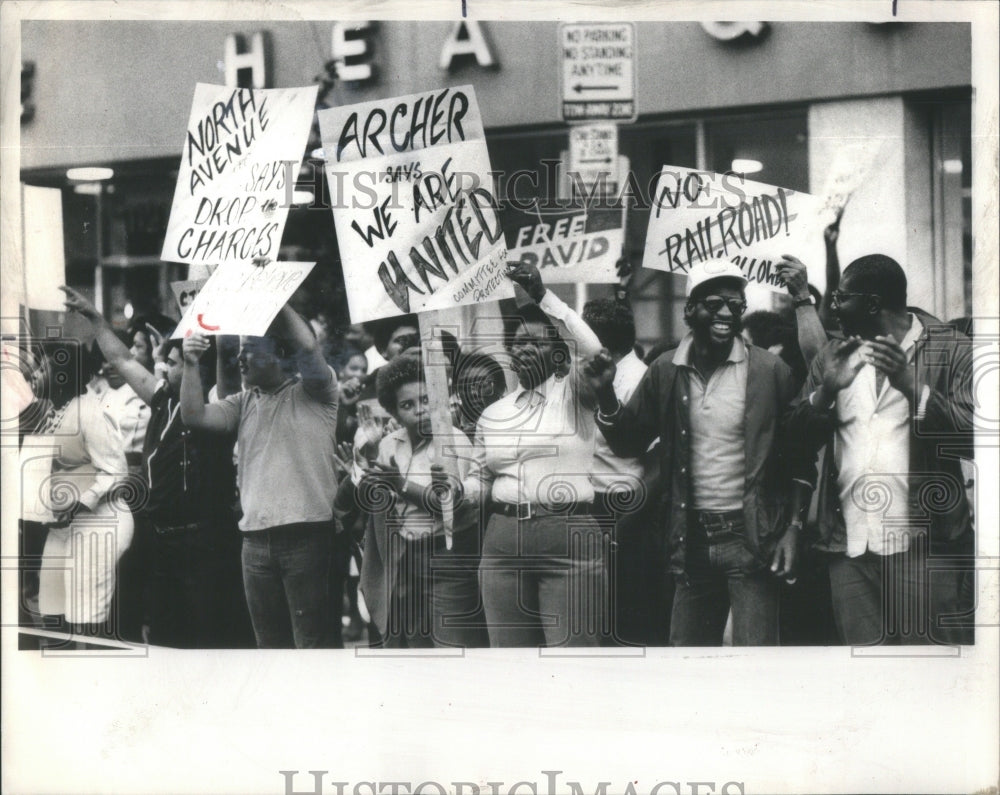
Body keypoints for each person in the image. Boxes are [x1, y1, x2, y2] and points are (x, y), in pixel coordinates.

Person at [589, 259, 809, 646]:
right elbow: (629, 442)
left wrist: (793, 526)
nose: (727, 312)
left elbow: (799, 456)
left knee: (754, 666)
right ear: (690, 309)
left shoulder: (770, 370)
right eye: (715, 302)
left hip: (753, 539)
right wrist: (606, 392)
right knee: (686, 663)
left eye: (736, 304)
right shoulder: (665, 370)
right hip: (689, 542)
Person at [787, 254, 974, 645]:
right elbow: (794, 442)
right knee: (869, 684)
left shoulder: (951, 348)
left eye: (840, 299)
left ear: (872, 304)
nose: (833, 308)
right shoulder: (832, 356)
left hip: (927, 550)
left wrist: (913, 387)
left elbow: (974, 438)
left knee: (932, 677)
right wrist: (825, 393)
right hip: (850, 548)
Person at [60, 286, 253, 648]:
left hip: (207, 542)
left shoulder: (220, 406)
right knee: (166, 636)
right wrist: (94, 318)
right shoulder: (163, 397)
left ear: (198, 366)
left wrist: (223, 300)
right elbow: (122, 359)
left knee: (208, 639)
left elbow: (227, 357)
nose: (163, 366)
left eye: (174, 362)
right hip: (162, 537)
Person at [179, 305, 339, 649]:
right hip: (254, 543)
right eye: (240, 350)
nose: (241, 358)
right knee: (269, 647)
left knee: (311, 647)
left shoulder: (315, 393)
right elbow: (194, 416)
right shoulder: (242, 402)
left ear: (280, 353)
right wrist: (191, 364)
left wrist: (274, 297)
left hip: (307, 537)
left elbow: (309, 348)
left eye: (250, 349)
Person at [469, 262, 608, 647]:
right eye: (518, 342)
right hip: (501, 540)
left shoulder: (575, 393)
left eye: (537, 342)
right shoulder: (493, 412)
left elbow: (595, 351)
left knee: (574, 659)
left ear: (560, 354)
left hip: (566, 536)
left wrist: (545, 297)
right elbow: (480, 478)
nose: (524, 348)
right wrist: (454, 489)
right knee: (509, 660)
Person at [337, 353, 486, 647]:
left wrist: (400, 484)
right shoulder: (389, 444)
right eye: (407, 405)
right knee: (414, 649)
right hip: (404, 559)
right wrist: (359, 465)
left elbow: (449, 504)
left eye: (426, 400)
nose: (420, 410)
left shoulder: (454, 441)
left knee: (452, 647)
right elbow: (350, 504)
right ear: (394, 411)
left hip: (449, 557)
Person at [33, 339, 134, 643]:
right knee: (51, 614)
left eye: (41, 366)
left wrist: (79, 504)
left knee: (86, 620)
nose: (34, 373)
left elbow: (117, 472)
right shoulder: (54, 408)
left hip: (99, 522)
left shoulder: (89, 410)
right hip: (63, 525)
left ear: (62, 372)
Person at [581, 297, 666, 645]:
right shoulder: (591, 374)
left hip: (628, 512)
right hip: (593, 507)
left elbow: (658, 462)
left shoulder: (641, 381)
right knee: (598, 621)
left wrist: (622, 525)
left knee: (630, 624)